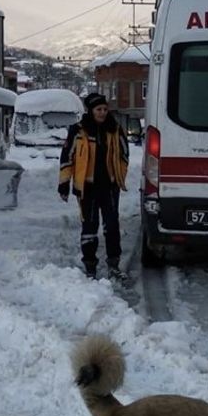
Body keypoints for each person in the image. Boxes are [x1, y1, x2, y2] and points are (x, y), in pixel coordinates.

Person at [59, 93, 130, 279]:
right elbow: (67, 157)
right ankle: (90, 266)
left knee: (112, 225)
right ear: (90, 111)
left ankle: (114, 264)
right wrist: (64, 184)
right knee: (89, 227)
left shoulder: (114, 129)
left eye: (105, 109)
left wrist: (119, 176)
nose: (103, 113)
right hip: (87, 188)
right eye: (99, 110)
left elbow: (124, 154)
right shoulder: (78, 130)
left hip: (109, 187)